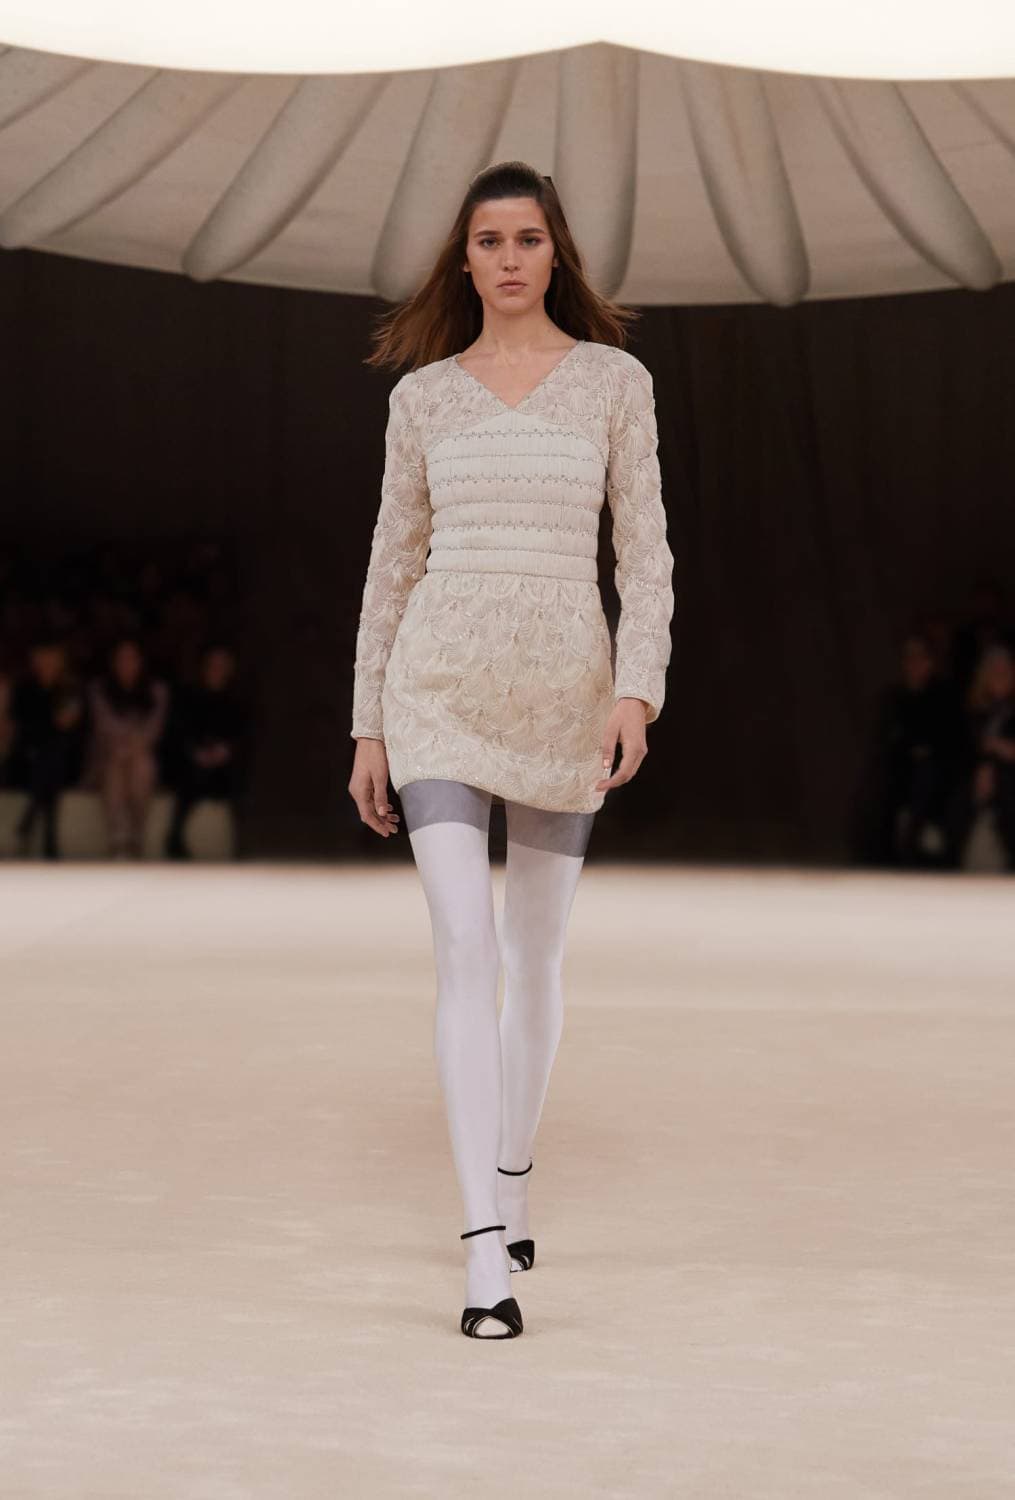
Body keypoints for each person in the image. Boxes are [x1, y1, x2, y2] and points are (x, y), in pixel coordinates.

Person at [347, 162, 675, 1339]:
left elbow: (645, 553)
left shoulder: (614, 384)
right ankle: (482, 1247)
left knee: (533, 957)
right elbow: (392, 561)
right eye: (487, 240)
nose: (507, 259)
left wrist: (636, 690)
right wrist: (368, 722)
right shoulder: (423, 399)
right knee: (462, 948)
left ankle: (515, 1171)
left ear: (554, 252)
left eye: (527, 238)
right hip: (435, 687)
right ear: (465, 258)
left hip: (563, 695)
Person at [84, 637, 170, 859]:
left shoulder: (157, 691)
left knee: (142, 765)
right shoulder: (98, 689)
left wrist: (134, 746)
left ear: (141, 661)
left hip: (141, 754)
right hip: (106, 756)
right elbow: (104, 725)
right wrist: (125, 745)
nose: (127, 664)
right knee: (116, 761)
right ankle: (118, 837)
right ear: (113, 662)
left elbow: (154, 728)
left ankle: (136, 834)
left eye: (132, 658)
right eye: (121, 658)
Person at [162, 644, 248, 858]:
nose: (217, 670)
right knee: (189, 778)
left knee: (240, 781)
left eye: (222, 666)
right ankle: (175, 838)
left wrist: (225, 751)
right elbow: (178, 734)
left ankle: (242, 844)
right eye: (213, 665)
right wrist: (196, 752)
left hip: (224, 770)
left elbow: (242, 736)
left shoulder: (237, 701)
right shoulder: (189, 696)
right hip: (192, 766)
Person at [8, 639, 86, 858]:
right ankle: (50, 842)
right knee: (49, 761)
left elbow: (69, 724)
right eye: (43, 657)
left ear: (61, 660)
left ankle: (28, 821)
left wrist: (64, 719)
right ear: (34, 659)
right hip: (28, 758)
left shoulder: (68, 688)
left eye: (52, 658)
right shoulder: (24, 689)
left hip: (62, 758)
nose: (47, 662)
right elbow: (20, 728)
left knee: (54, 754)